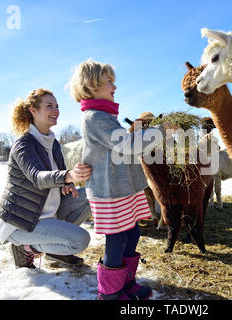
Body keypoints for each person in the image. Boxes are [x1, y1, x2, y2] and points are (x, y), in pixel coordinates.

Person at [68, 59, 175, 300]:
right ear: (91, 85)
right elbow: (125, 144)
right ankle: (109, 292)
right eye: (109, 82)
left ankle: (125, 282)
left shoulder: (105, 115)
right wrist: (160, 131)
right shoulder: (94, 117)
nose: (114, 86)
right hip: (109, 191)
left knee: (132, 233)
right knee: (116, 239)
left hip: (122, 188)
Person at [0, 88, 93, 269]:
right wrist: (67, 176)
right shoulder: (23, 144)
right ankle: (25, 248)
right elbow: (38, 177)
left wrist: (66, 185)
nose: (55, 110)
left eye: (57, 106)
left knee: (92, 196)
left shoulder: (53, 143)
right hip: (22, 222)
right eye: (49, 106)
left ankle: (54, 249)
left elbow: (56, 177)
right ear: (33, 110)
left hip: (49, 212)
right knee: (80, 240)